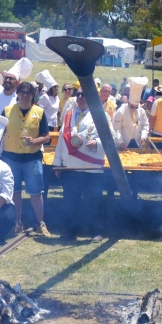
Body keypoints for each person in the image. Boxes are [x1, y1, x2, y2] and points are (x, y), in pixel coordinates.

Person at [52, 89, 107, 241]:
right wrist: (57, 163)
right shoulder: (69, 114)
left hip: (92, 167)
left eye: (85, 94)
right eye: (79, 94)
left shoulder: (100, 114)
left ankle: (96, 231)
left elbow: (112, 139)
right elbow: (62, 140)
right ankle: (70, 231)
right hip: (71, 166)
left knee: (93, 201)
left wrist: (97, 144)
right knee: (70, 201)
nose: (81, 97)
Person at [0, 81, 52, 237]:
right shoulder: (7, 111)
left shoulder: (39, 112)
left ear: (32, 95)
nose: (24, 95)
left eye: (28, 93)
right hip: (11, 157)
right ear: (17, 94)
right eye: (22, 92)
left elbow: (47, 136)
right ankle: (17, 223)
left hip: (32, 158)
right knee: (14, 192)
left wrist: (35, 141)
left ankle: (40, 223)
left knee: (36, 192)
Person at [114, 76, 149, 150]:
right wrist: (120, 142)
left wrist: (143, 136)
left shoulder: (141, 111)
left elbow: (145, 125)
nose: (134, 109)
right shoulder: (121, 111)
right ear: (128, 103)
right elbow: (116, 128)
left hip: (137, 142)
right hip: (124, 142)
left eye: (136, 107)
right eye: (132, 107)